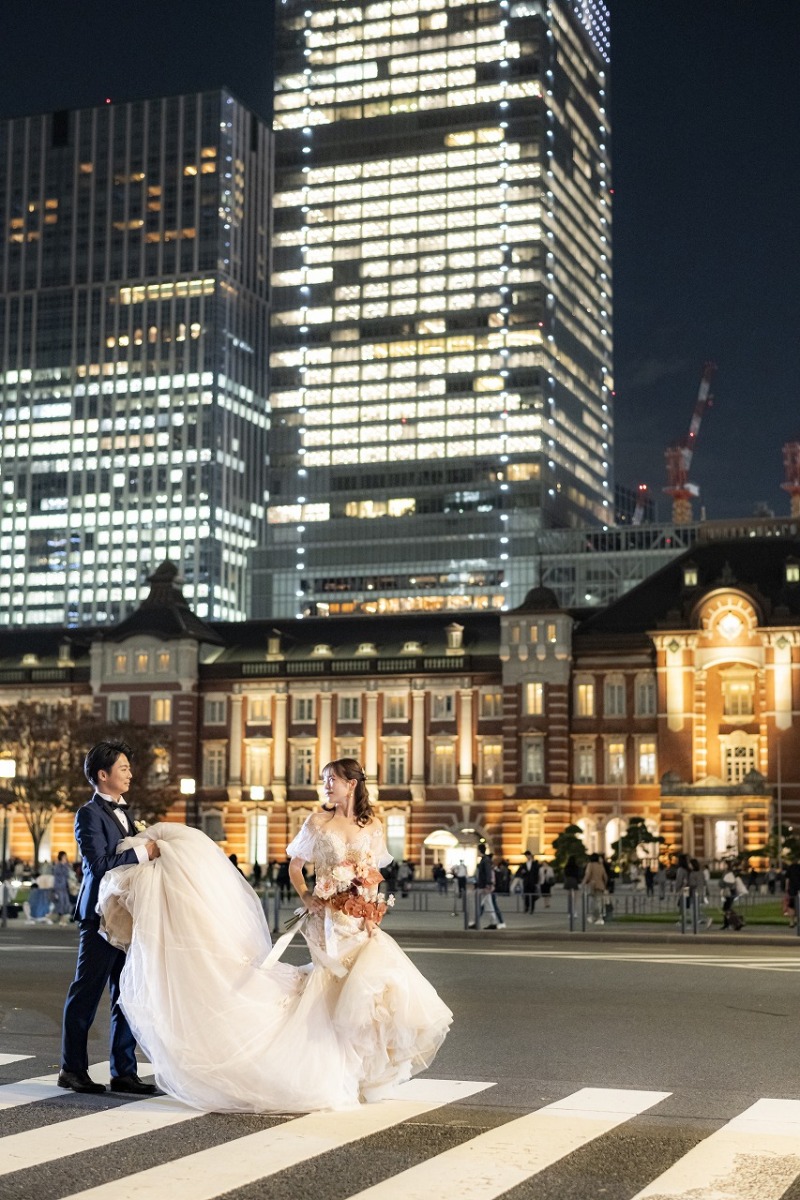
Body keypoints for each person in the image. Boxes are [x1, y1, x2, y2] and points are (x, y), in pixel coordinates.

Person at [96, 758, 452, 1113]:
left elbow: (372, 873)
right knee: (331, 989)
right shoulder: (317, 822)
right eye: (324, 780)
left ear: (352, 784)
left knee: (366, 991)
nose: (326, 785)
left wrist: (372, 912)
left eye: (332, 780)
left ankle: (355, 1071)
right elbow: (296, 866)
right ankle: (330, 1071)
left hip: (359, 920)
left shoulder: (371, 825)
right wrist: (307, 896)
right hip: (326, 920)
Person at [59, 739, 160, 1096]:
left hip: (126, 916)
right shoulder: (89, 814)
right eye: (123, 769)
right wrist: (144, 853)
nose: (130, 774)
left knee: (126, 993)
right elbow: (99, 866)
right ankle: (72, 1069)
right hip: (99, 917)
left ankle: (124, 1072)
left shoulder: (125, 813)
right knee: (86, 993)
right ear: (103, 775)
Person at [471, 845, 505, 929]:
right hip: (484, 886)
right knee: (489, 905)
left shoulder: (485, 860)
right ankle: (493, 922)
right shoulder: (485, 860)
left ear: (479, 850)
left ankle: (476, 922)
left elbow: (487, 873)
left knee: (479, 904)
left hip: (484, 886)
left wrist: (488, 884)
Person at [582, 853, 607, 925]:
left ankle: (595, 917)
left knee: (593, 902)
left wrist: (583, 883)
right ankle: (598, 917)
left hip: (592, 885)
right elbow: (605, 876)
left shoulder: (590, 865)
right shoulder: (600, 865)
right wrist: (605, 884)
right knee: (598, 902)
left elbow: (588, 874)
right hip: (601, 885)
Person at [52, 851, 73, 925]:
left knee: (66, 902)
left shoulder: (67, 865)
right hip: (59, 887)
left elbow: (69, 874)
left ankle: (62, 918)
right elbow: (57, 877)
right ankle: (60, 918)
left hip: (65, 887)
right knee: (61, 902)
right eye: (64, 856)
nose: (65, 858)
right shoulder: (58, 866)